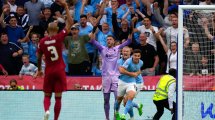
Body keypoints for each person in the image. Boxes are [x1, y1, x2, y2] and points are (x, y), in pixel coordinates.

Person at [37, 0, 73, 120]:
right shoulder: (59, 37)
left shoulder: (42, 42)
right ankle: (55, 119)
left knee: (47, 95)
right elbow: (70, 23)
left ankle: (47, 110)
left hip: (49, 70)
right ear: (56, 29)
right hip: (60, 70)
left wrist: (39, 70)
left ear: (47, 30)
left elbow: (38, 57)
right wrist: (66, 7)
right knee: (58, 98)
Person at [90, 34, 132, 120]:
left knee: (118, 99)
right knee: (106, 100)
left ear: (113, 41)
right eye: (107, 39)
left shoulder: (117, 48)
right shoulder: (102, 49)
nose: (108, 41)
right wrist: (92, 36)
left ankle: (115, 117)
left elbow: (128, 41)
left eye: (110, 39)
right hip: (106, 77)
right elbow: (93, 41)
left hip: (116, 77)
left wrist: (129, 37)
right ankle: (107, 118)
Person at [115, 47, 143, 120]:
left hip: (137, 82)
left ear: (130, 53)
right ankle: (137, 106)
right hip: (124, 81)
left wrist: (136, 73)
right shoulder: (119, 61)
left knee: (128, 100)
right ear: (122, 52)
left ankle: (130, 117)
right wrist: (133, 74)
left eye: (127, 51)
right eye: (124, 51)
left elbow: (140, 70)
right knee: (124, 102)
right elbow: (121, 71)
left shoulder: (136, 60)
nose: (125, 53)